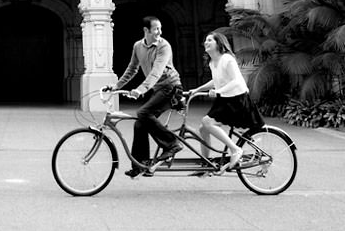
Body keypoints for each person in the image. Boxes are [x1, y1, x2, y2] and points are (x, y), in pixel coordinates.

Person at [111, 16, 183, 178]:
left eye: (160, 28)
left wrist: (141, 89)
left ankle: (172, 144)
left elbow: (156, 72)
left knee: (143, 113)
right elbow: (132, 69)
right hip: (158, 89)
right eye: (156, 29)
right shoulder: (138, 46)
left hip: (171, 87)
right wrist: (116, 86)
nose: (159, 32)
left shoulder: (164, 46)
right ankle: (140, 165)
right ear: (146, 31)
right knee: (139, 125)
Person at [192, 32, 264, 171]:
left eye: (209, 40)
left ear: (219, 43)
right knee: (203, 127)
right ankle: (206, 162)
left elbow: (236, 80)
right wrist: (197, 89)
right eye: (205, 40)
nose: (205, 43)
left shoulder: (227, 59)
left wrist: (219, 91)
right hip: (225, 99)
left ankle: (236, 150)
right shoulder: (213, 62)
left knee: (207, 122)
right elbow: (216, 80)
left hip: (237, 99)